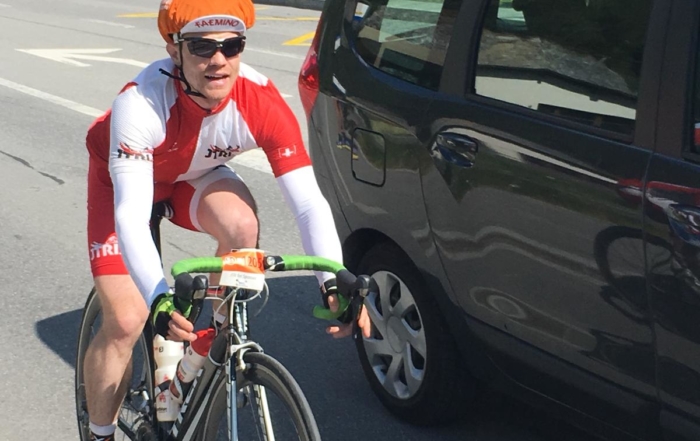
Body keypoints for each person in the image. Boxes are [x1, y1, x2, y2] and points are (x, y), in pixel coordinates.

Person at [83, 0, 369, 439]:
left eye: (232, 45)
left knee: (241, 225)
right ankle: (100, 433)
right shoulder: (139, 103)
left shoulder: (260, 99)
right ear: (174, 51)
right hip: (123, 183)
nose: (218, 59)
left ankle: (215, 348)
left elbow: (309, 204)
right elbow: (132, 216)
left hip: (191, 176)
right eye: (201, 46)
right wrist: (158, 298)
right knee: (125, 320)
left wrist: (332, 280)